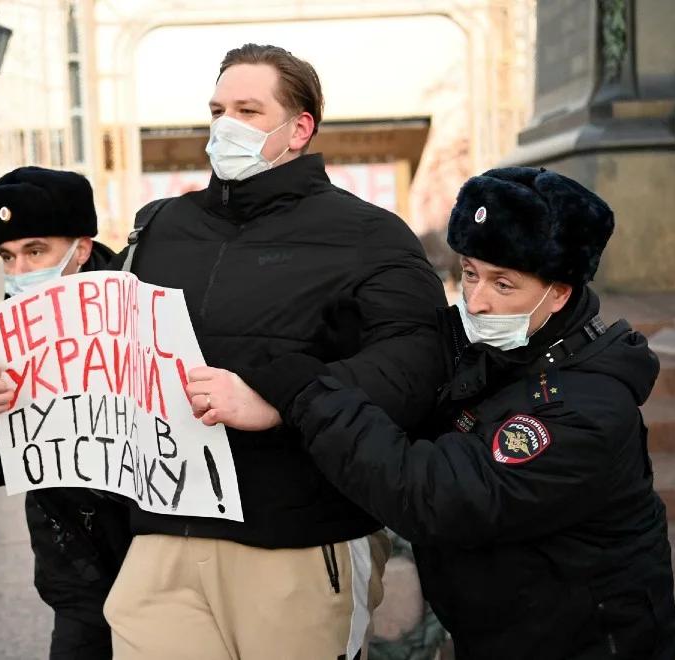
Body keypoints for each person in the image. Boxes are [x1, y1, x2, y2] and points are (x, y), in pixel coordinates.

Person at [230, 167, 675, 659]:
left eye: (503, 284)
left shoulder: (586, 409)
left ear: (560, 292)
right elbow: (407, 355)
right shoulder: (494, 348)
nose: (477, 301)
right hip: (500, 633)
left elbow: (432, 495)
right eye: (469, 273)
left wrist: (307, 395)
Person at [101, 44, 449, 659]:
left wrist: (282, 399)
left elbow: (418, 363)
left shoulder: (369, 235)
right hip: (163, 539)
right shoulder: (159, 228)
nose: (225, 125)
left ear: (300, 127)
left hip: (295, 540)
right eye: (217, 110)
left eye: (247, 109)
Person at [0, 167, 129, 660]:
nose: (19, 272)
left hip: (158, 572)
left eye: (36, 252)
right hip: (77, 585)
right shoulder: (1, 341)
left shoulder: (136, 312)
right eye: (8, 257)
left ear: (80, 249)